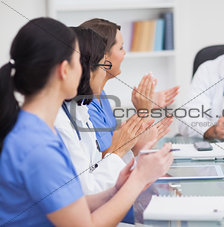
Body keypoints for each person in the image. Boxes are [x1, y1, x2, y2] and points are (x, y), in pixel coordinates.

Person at [0, 17, 173, 226]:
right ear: (64, 70)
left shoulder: (36, 130)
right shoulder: (37, 145)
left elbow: (71, 203)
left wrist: (116, 189)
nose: (84, 70)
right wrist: (139, 180)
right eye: (79, 63)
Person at [55, 27, 172, 194]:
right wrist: (124, 150)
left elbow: (98, 165)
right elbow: (89, 190)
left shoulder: (84, 109)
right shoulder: (63, 121)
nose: (106, 72)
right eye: (104, 65)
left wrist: (129, 143)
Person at [80, 18, 179, 157]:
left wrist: (144, 109)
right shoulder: (87, 103)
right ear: (103, 56)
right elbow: (106, 157)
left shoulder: (100, 93)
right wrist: (143, 110)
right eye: (120, 48)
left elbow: (116, 144)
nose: (124, 53)